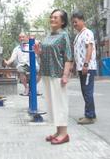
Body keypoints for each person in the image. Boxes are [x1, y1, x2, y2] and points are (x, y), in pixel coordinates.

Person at [34, 9, 73, 145]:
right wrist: (39, 52)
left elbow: (68, 56)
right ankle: (58, 131)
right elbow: (45, 54)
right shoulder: (48, 36)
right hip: (46, 73)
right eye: (51, 17)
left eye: (56, 17)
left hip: (57, 74)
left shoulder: (64, 36)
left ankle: (64, 134)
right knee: (52, 104)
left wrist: (65, 75)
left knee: (60, 104)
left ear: (62, 21)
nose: (52, 19)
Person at [71, 11, 97, 125]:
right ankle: (92, 114)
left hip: (88, 67)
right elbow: (77, 52)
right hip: (82, 68)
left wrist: (86, 64)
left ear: (82, 21)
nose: (74, 24)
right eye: (73, 23)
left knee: (87, 91)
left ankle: (89, 116)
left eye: (76, 22)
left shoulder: (87, 33)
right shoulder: (78, 35)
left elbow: (89, 48)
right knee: (85, 91)